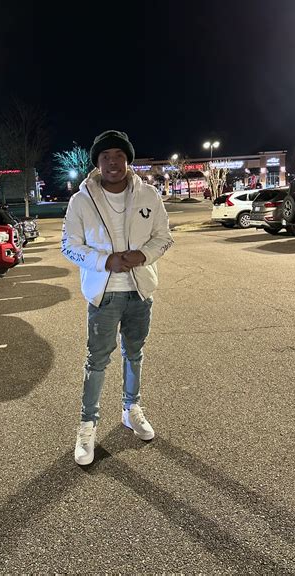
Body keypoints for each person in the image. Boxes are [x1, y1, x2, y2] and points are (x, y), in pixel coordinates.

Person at [61, 130, 173, 465]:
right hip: (104, 294)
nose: (113, 162)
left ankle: (131, 408)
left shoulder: (149, 194)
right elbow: (69, 245)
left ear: (128, 160)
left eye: (119, 156)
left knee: (134, 353)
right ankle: (87, 425)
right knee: (97, 360)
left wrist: (143, 255)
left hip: (140, 291)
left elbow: (164, 237)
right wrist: (104, 261)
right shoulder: (81, 200)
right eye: (106, 156)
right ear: (97, 162)